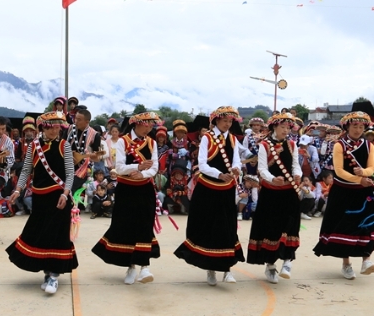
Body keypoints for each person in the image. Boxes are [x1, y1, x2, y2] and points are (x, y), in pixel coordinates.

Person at [7, 111, 77, 295]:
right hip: (39, 198)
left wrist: (66, 193)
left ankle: (54, 275)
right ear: (43, 128)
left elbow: (70, 174)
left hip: (59, 198)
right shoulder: (34, 146)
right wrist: (17, 190)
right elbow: (26, 171)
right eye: (52, 127)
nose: (55, 130)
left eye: (58, 127)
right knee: (41, 235)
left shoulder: (65, 145)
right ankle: (47, 272)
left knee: (58, 236)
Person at [174, 106, 245, 286]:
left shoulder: (233, 140)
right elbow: (202, 164)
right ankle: (210, 268)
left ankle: (227, 269)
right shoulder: (207, 138)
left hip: (227, 188)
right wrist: (219, 174)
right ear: (215, 121)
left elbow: (236, 160)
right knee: (209, 227)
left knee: (228, 227)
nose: (228, 124)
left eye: (230, 121)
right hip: (209, 188)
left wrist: (236, 169)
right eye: (225, 121)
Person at [92, 112, 160, 285]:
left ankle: (145, 266)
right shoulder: (123, 141)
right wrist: (137, 166)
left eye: (152, 125)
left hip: (145, 188)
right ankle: (130, 266)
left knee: (145, 225)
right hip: (126, 191)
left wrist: (142, 174)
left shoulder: (151, 142)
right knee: (127, 226)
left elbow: (155, 167)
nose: (150, 127)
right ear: (137, 124)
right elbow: (119, 168)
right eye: (147, 124)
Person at [313, 111, 374, 279]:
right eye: (355, 126)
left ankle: (366, 259)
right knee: (344, 226)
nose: (358, 129)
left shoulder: (369, 145)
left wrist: (364, 173)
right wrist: (358, 179)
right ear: (347, 126)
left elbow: (371, 168)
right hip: (343, 191)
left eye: (361, 126)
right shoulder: (340, 145)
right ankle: (346, 264)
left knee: (366, 224)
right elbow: (339, 172)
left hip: (363, 191)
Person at [246, 112, 302, 284]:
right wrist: (272, 179)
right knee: (271, 229)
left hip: (289, 192)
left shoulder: (292, 144)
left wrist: (298, 175)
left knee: (290, 226)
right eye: (283, 127)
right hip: (271, 193)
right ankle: (270, 265)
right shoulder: (264, 145)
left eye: (288, 127)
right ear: (274, 127)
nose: (286, 130)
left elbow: (296, 166)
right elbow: (262, 169)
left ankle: (287, 262)